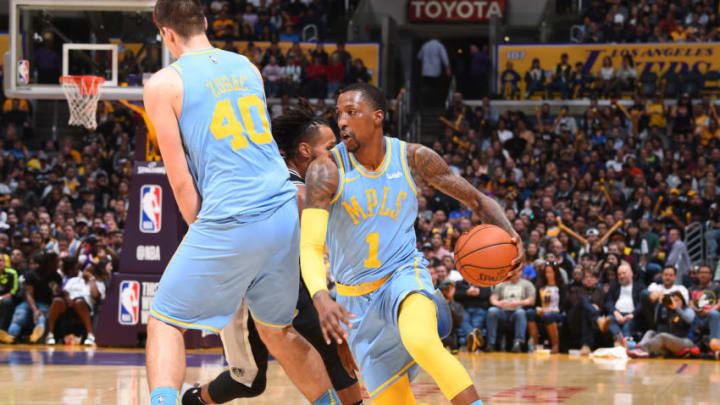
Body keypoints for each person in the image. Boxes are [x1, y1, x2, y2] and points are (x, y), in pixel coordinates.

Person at [144, 2, 340, 404]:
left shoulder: (163, 84)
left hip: (233, 214)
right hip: (282, 210)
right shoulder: (247, 67)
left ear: (165, 33)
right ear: (204, 22)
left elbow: (181, 180)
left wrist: (207, 235)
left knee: (165, 321)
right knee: (277, 332)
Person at [300, 83, 524, 405]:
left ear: (377, 117)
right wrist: (322, 298)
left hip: (402, 276)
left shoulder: (414, 158)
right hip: (355, 304)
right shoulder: (326, 170)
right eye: (339, 115)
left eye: (351, 112)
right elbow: (309, 247)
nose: (342, 122)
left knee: (421, 340)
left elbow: (477, 200)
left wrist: (512, 238)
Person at [181, 107, 363, 405]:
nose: (339, 155)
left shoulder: (307, 185)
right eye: (331, 148)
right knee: (249, 381)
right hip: (242, 288)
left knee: (332, 342)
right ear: (305, 151)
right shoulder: (293, 191)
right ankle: (192, 401)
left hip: (284, 281)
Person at [0, 251, 60, 344]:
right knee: (20, 316)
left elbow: (56, 295)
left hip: (44, 304)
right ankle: (11, 337)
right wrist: (34, 310)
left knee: (41, 317)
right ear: (49, 263)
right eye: (56, 262)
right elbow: (29, 295)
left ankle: (35, 337)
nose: (58, 264)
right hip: (28, 302)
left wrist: (57, 291)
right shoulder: (31, 274)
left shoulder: (57, 277)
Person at [45, 260, 106, 346]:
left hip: (84, 307)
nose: (85, 272)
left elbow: (96, 296)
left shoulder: (98, 283)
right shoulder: (74, 280)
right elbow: (65, 291)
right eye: (85, 270)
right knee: (57, 301)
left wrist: (91, 279)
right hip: (69, 305)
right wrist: (68, 298)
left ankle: (90, 335)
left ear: (94, 273)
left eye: (89, 271)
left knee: (79, 301)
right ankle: (50, 335)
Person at [487, 271, 536, 352]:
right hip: (503, 311)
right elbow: (493, 298)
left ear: (521, 272)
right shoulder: (502, 283)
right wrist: (498, 303)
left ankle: (518, 343)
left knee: (520, 313)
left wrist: (518, 303)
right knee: (492, 311)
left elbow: (532, 300)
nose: (515, 273)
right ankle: (491, 343)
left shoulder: (527, 284)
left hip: (517, 311)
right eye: (513, 271)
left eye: (517, 271)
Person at [527, 262, 567, 353]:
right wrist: (538, 309)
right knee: (529, 313)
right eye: (546, 272)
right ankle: (536, 345)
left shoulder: (561, 287)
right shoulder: (541, 286)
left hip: (557, 313)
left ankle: (555, 345)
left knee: (548, 316)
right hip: (543, 311)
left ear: (555, 273)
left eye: (550, 272)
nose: (548, 275)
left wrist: (554, 310)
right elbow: (537, 304)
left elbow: (564, 305)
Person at [605, 263, 644, 346]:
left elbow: (642, 304)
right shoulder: (614, 286)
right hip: (617, 315)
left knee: (628, 326)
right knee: (608, 320)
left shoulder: (640, 286)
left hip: (632, 316)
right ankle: (618, 337)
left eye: (624, 273)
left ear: (631, 273)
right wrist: (615, 312)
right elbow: (608, 301)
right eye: (619, 274)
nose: (621, 276)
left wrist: (632, 314)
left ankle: (629, 347)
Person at [688, 264, 720, 354]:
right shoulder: (691, 288)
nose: (703, 275)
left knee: (714, 314)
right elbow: (690, 303)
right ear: (697, 275)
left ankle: (716, 347)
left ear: (711, 275)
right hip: (696, 316)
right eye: (701, 272)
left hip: (710, 316)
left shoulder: (716, 287)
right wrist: (696, 310)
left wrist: (708, 311)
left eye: (706, 272)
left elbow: (719, 303)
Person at [417, 37, 450, 109]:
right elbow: (444, 57)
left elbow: (419, 56)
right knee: (435, 88)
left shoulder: (425, 45)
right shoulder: (439, 45)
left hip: (425, 71)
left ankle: (424, 104)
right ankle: (434, 105)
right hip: (435, 71)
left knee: (426, 88)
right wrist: (447, 67)